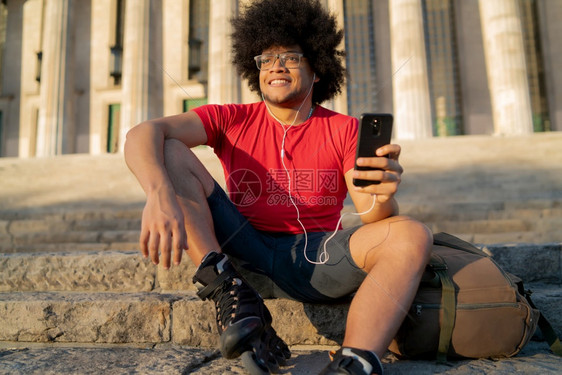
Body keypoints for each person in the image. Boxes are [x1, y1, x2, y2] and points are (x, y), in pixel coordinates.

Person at [124, 0, 433, 374]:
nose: (275, 67)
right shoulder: (231, 118)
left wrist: (383, 196)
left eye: (289, 57)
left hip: (316, 258)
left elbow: (372, 215)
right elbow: (144, 132)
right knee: (170, 149)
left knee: (412, 234)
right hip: (242, 253)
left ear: (317, 69)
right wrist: (159, 194)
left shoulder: (344, 129)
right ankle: (228, 292)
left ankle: (356, 362)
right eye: (265, 59)